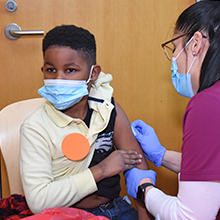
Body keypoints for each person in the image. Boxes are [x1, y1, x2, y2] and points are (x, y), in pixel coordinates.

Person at [19, 25, 155, 220]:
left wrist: (144, 217)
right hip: (64, 215)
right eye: (51, 70)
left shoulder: (106, 109)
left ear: (93, 74)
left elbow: (137, 166)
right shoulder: (35, 127)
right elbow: (39, 202)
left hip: (115, 208)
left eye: (70, 70)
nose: (58, 79)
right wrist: (101, 170)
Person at [124, 1, 220, 219]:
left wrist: (144, 190)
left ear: (195, 44)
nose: (174, 60)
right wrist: (162, 155)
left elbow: (189, 216)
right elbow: (212, 171)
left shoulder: (207, 105)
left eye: (175, 48)